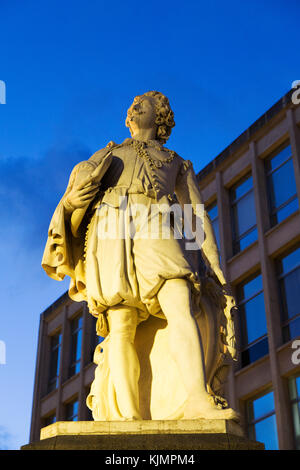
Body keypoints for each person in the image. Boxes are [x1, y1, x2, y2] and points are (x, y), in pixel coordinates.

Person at [42, 91, 238, 421]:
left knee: (179, 301)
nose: (132, 109)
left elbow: (196, 215)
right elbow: (72, 201)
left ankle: (196, 398)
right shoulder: (109, 154)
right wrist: (75, 196)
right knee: (121, 325)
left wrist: (215, 265)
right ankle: (127, 417)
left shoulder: (176, 161)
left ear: (160, 117)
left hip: (157, 220)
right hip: (111, 226)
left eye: (141, 105)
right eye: (132, 106)